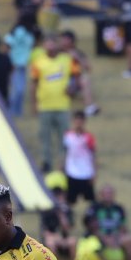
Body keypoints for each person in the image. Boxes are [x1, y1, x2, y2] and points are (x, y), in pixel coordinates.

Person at [28, 34, 81, 172]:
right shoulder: (38, 61)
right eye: (47, 42)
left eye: (53, 42)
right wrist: (33, 103)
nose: (50, 45)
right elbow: (34, 83)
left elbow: (76, 75)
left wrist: (73, 87)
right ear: (44, 45)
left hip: (63, 105)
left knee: (64, 137)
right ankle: (47, 162)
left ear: (57, 44)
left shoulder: (67, 59)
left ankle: (64, 163)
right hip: (45, 105)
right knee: (45, 137)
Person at [84, 184, 131, 260]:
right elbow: (91, 228)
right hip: (98, 237)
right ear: (101, 195)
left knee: (130, 240)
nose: (108, 195)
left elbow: (123, 227)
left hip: (116, 236)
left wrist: (116, 238)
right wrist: (104, 237)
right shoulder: (94, 208)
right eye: (105, 193)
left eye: (110, 193)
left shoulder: (119, 208)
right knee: (93, 244)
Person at [62, 111, 96, 205]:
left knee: (90, 201)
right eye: (77, 120)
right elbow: (65, 152)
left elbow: (93, 155)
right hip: (71, 171)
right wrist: (63, 167)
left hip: (86, 172)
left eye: (81, 121)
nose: (78, 123)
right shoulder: (67, 135)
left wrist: (94, 172)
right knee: (70, 200)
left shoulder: (89, 137)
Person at [40, 185, 76, 260]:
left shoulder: (67, 211)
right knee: (50, 242)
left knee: (72, 241)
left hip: (63, 238)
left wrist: (61, 216)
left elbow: (67, 229)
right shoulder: (47, 211)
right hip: (52, 237)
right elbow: (45, 232)